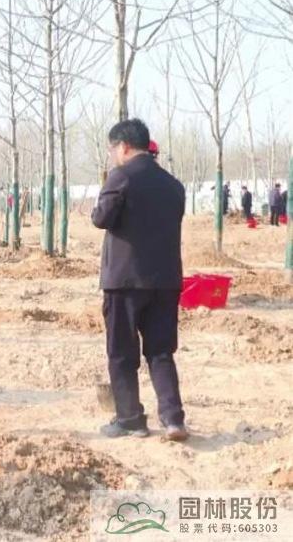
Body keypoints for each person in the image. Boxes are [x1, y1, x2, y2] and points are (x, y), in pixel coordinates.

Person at [91, 118, 187, 442]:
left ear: (124, 146)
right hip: (166, 280)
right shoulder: (174, 185)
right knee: (161, 351)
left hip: (125, 281)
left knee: (121, 352)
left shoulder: (121, 177)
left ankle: (130, 419)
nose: (112, 155)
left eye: (112, 149)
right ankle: (173, 419)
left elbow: (101, 218)